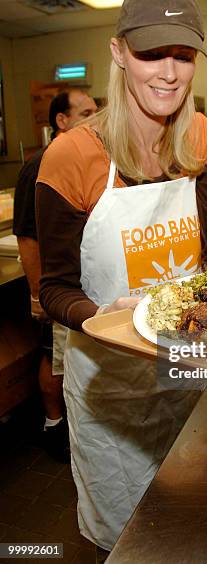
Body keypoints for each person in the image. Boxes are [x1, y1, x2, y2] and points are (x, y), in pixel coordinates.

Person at [36, 0, 207, 556]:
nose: (170, 73)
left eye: (183, 55)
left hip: (183, 368)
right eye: (152, 53)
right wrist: (102, 314)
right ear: (118, 51)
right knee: (125, 535)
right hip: (111, 383)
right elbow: (52, 288)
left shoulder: (198, 134)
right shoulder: (73, 155)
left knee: (185, 515)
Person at [13, 89, 97, 463]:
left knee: (68, 357)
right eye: (85, 112)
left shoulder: (86, 155)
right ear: (61, 120)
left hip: (80, 282)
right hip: (55, 286)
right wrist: (37, 295)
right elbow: (27, 235)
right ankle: (52, 424)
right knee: (53, 357)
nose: (94, 119)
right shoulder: (41, 164)